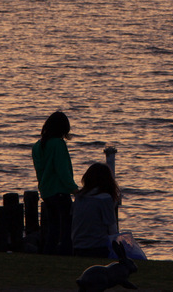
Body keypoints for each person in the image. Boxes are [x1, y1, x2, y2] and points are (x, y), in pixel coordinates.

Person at [32, 110, 79, 254]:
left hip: (46, 192)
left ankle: (49, 253)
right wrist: (75, 190)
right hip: (60, 192)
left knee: (52, 228)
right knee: (67, 228)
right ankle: (65, 254)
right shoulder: (58, 144)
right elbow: (62, 171)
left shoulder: (37, 146)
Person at [71, 162, 121, 257]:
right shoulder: (104, 198)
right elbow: (112, 228)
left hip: (78, 246)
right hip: (97, 248)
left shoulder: (79, 197)